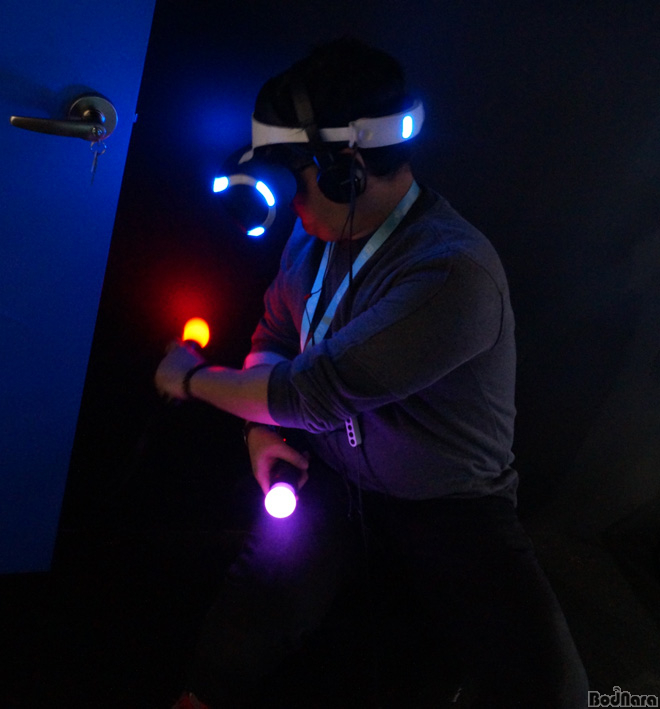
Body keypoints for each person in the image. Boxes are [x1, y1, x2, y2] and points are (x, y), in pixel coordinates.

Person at [156, 38, 588, 708]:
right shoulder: (314, 233)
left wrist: (190, 377)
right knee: (252, 614)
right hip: (329, 470)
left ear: (346, 172)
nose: (286, 201)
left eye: (293, 176)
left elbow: (310, 394)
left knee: (551, 689)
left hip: (449, 503)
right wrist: (258, 434)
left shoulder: (452, 273)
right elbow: (275, 336)